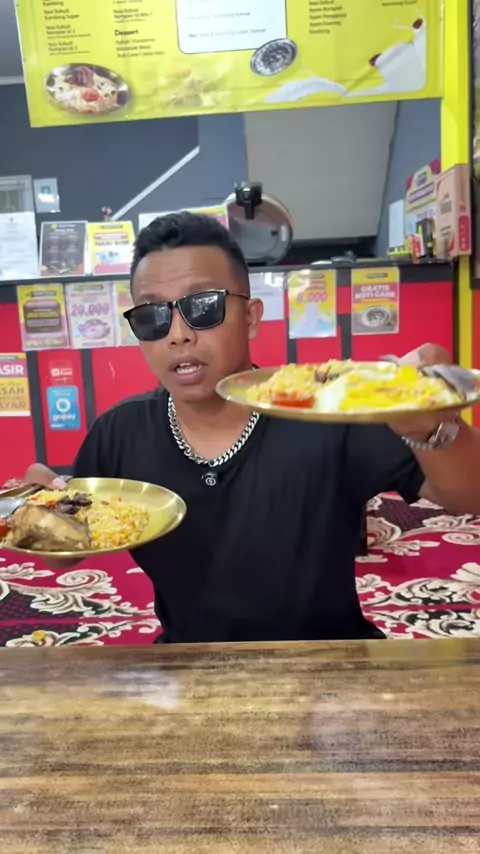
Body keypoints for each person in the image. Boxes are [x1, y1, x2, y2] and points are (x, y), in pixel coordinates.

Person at [25, 213, 480, 644]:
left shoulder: (324, 409)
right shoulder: (120, 431)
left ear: (251, 317)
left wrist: (431, 424)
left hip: (331, 663)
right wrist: (41, 516)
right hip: (188, 664)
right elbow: (66, 551)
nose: (178, 334)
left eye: (203, 306)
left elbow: (471, 495)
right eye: (152, 315)